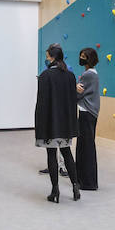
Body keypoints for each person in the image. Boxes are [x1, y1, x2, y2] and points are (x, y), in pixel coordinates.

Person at [35, 43, 79, 203]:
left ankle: (55, 191)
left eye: (47, 56)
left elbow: (42, 103)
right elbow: (72, 101)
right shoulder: (70, 75)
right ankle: (75, 187)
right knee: (67, 153)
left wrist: (40, 125)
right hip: (66, 124)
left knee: (52, 155)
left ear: (52, 57)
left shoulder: (45, 76)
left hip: (51, 123)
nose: (46, 59)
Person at [75, 47, 100, 191]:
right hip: (91, 113)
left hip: (86, 113)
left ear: (89, 59)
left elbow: (79, 94)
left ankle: (86, 182)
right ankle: (87, 180)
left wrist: (73, 89)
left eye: (84, 56)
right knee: (88, 146)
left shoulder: (87, 75)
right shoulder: (94, 74)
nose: (81, 58)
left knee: (85, 148)